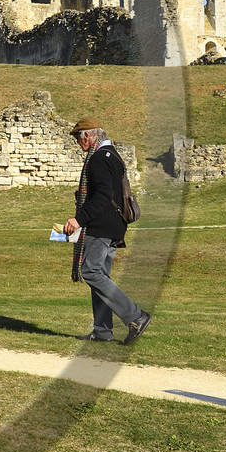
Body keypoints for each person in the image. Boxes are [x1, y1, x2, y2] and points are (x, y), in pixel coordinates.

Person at [62, 117, 151, 344]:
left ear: (88, 136)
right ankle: (102, 331)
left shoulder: (99, 158)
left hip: (102, 225)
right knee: (101, 275)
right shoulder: (113, 155)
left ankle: (135, 316)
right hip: (115, 225)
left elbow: (102, 195)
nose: (78, 144)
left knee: (91, 272)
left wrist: (79, 219)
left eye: (78, 139)